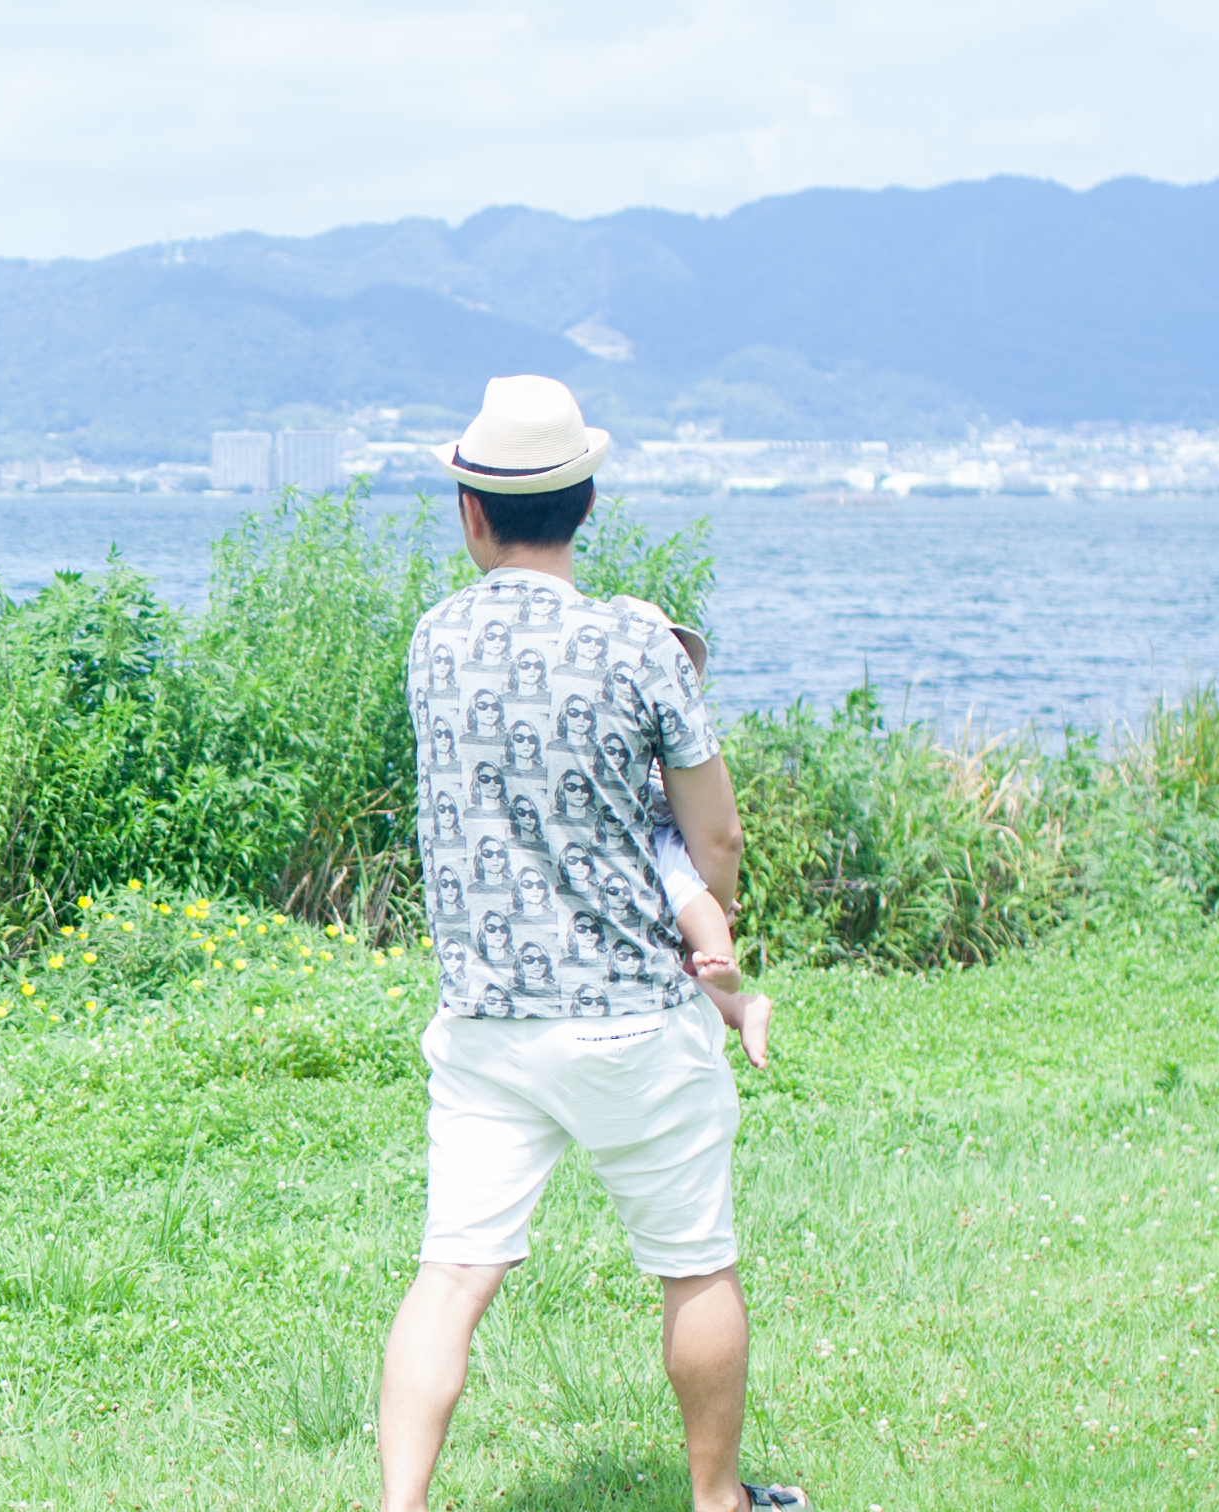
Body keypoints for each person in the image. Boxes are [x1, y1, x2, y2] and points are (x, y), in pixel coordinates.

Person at [379, 374, 803, 1512]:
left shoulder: (433, 642)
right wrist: (696, 923)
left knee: (452, 1276)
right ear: (589, 502)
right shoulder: (636, 645)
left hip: (485, 1021)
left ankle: (398, 1507)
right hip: (628, 1016)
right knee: (693, 1264)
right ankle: (716, 1502)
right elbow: (715, 829)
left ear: (470, 509)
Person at [604, 594, 775, 1068]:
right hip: (649, 840)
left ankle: (721, 958)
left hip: (661, 837)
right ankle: (740, 1005)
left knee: (681, 890)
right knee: (683, 954)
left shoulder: (668, 734)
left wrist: (710, 904)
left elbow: (713, 829)